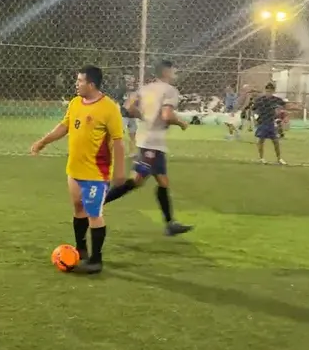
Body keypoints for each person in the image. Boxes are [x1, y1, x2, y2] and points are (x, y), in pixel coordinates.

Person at [30, 65, 126, 274]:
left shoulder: (109, 108)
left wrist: (119, 171)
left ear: (91, 84)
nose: (76, 84)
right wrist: (43, 142)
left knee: (94, 213)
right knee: (78, 209)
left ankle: (96, 259)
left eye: (80, 81)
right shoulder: (75, 103)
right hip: (74, 169)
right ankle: (81, 249)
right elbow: (64, 126)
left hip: (96, 173)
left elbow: (118, 141)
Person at [105, 60, 193, 236]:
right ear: (166, 72)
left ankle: (170, 224)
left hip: (146, 140)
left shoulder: (145, 89)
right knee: (136, 181)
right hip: (152, 143)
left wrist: (144, 117)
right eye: (174, 71)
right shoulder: (170, 91)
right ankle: (97, 202)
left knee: (159, 181)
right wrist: (181, 123)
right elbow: (166, 115)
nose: (175, 74)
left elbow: (128, 107)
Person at [251, 82, 288, 165]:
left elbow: (284, 104)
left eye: (270, 91)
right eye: (267, 91)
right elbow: (253, 109)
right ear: (265, 90)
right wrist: (255, 118)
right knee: (261, 140)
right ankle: (261, 158)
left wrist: (284, 112)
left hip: (271, 123)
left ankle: (279, 158)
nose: (269, 93)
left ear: (273, 91)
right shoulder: (260, 100)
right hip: (262, 122)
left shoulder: (275, 99)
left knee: (276, 141)